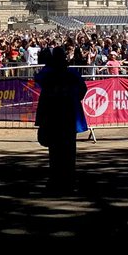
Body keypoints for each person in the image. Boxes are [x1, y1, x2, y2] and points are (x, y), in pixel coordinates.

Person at [34, 46, 87, 192]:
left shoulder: (49, 73)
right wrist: (74, 99)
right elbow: (83, 88)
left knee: (55, 150)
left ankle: (55, 179)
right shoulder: (71, 73)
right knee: (69, 150)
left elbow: (37, 78)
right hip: (69, 114)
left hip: (53, 114)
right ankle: (69, 180)